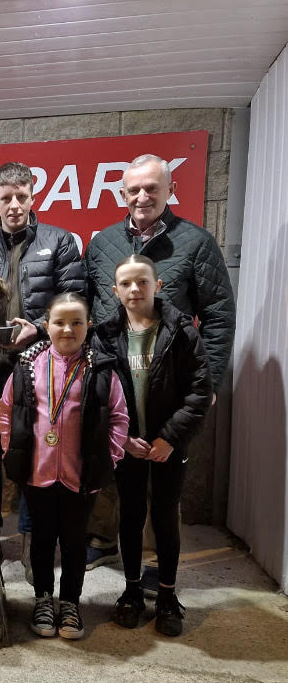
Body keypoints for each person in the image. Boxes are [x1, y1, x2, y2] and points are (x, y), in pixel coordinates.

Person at [83, 154, 236, 579]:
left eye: (152, 188)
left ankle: (155, 563)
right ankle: (104, 541)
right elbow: (86, 305)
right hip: (116, 382)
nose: (142, 196)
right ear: (122, 193)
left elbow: (219, 314)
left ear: (171, 190)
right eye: (133, 189)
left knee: (163, 479)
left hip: (168, 385)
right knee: (115, 463)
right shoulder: (102, 243)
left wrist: (210, 380)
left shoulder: (196, 242)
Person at [0, 162, 85, 571]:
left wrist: (38, 328)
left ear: (33, 197)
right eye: (6, 198)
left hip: (38, 369)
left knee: (35, 455)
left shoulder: (59, 241)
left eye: (21, 196)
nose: (14, 205)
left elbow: (74, 300)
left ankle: (34, 541)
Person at [0, 292, 129, 639]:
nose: (67, 329)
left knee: (74, 543)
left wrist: (110, 458)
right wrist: (11, 451)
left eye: (76, 322)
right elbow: (7, 410)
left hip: (80, 476)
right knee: (41, 541)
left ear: (89, 326)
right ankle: (43, 598)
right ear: (46, 326)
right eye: (59, 322)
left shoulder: (101, 369)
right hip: (37, 473)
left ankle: (70, 602)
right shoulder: (27, 366)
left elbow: (118, 417)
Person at [97, 255, 212, 636]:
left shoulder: (182, 332)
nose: (135, 289)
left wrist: (170, 438)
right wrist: (121, 438)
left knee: (164, 517)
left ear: (157, 286)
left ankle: (166, 595)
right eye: (126, 283)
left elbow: (199, 392)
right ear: (115, 290)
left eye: (142, 281)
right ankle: (131, 591)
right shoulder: (104, 335)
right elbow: (97, 394)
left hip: (168, 447)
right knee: (130, 516)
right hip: (128, 446)